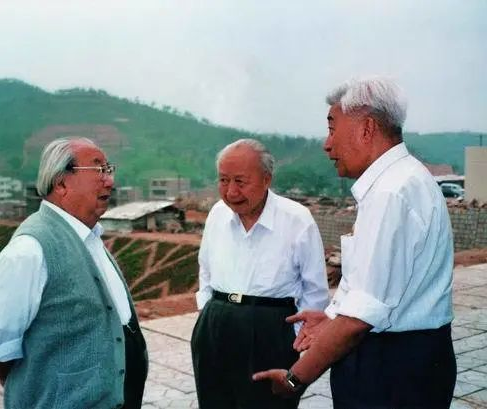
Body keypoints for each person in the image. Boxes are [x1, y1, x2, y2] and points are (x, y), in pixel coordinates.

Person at [253, 76, 457, 408]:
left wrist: (294, 379)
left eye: (332, 128)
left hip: (390, 370)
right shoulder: (406, 178)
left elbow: (359, 319)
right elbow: (375, 293)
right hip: (412, 360)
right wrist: (334, 318)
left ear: (366, 129)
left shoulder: (390, 193)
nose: (326, 144)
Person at [0, 137, 148, 409]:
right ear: (61, 183)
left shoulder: (89, 236)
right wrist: (32, 385)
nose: (109, 181)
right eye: (98, 170)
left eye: (108, 169)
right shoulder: (30, 249)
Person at [191, 139, 330, 409]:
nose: (231, 191)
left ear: (267, 179)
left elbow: (314, 290)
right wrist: (207, 312)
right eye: (223, 180)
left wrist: (293, 337)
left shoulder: (296, 219)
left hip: (271, 329)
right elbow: (205, 268)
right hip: (215, 324)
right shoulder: (217, 214)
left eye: (240, 181)